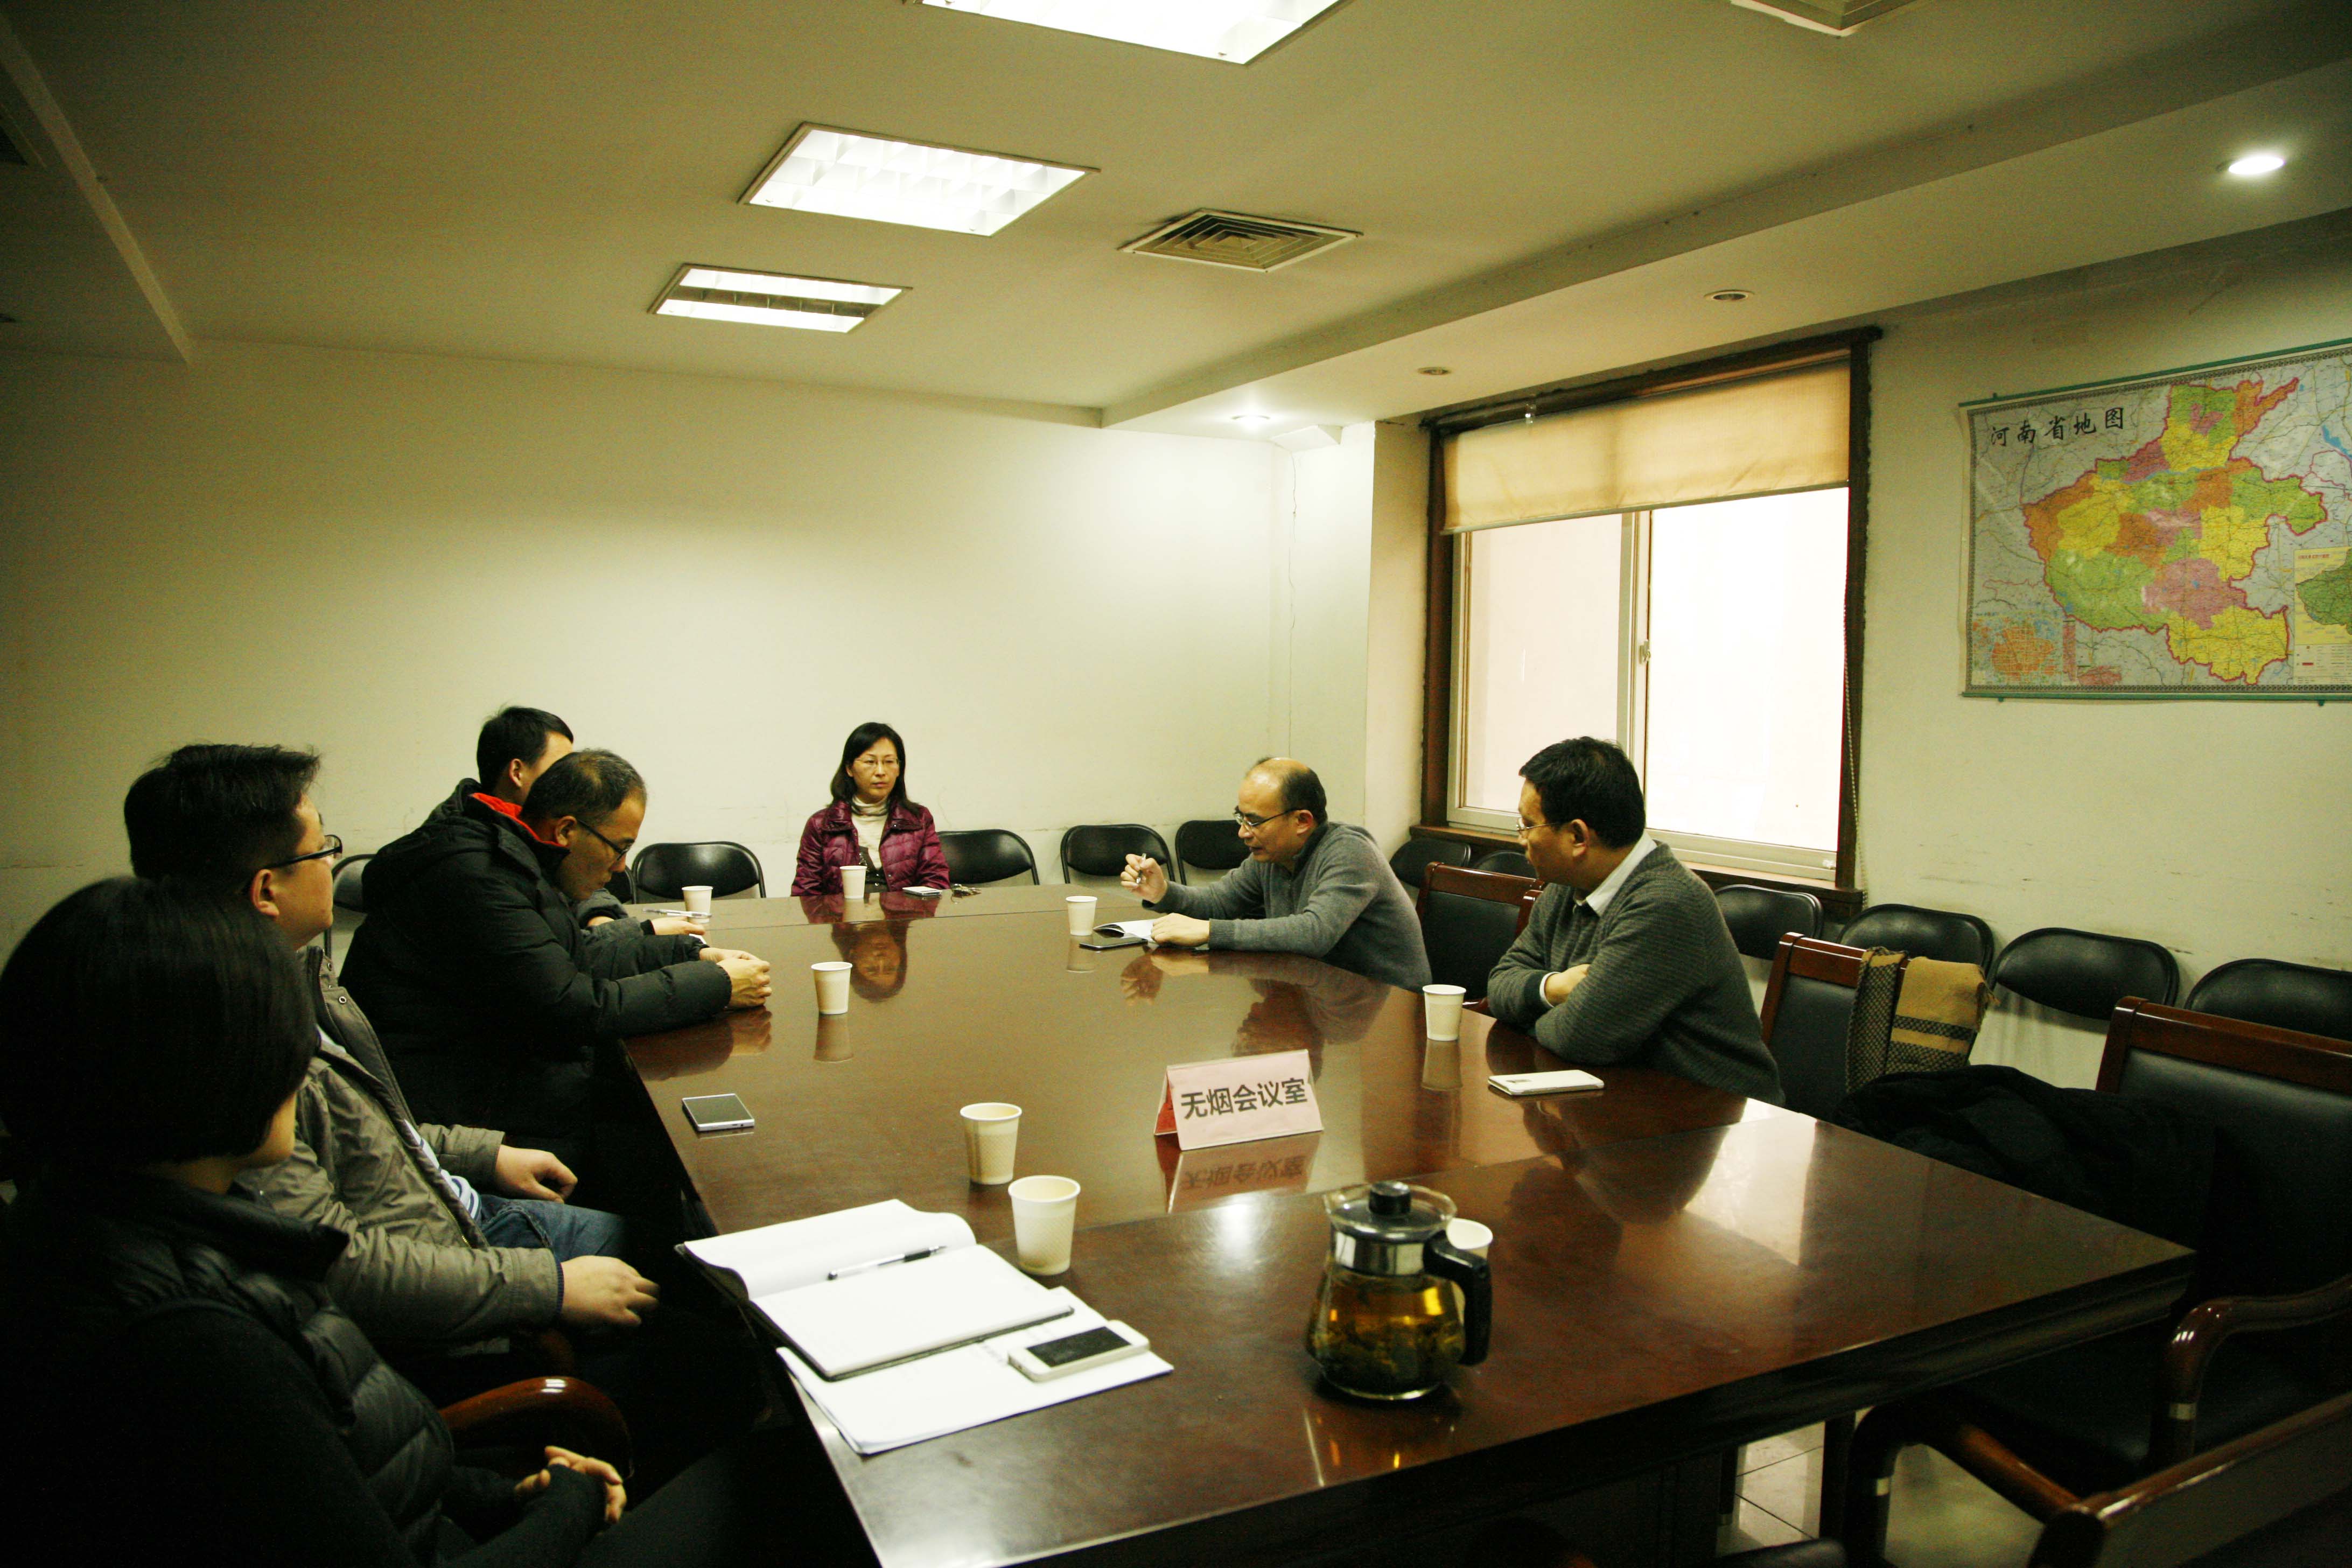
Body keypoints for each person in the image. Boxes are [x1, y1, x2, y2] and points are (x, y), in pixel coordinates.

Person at [0, 877, 838, 1568]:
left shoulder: (124, 1222)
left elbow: (358, 1464)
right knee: (802, 1476)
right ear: (204, 1073)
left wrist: (507, 1493)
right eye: (280, 1042)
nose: (300, 1069)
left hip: (462, 1501)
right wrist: (571, 1504)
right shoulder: (194, 1343)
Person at [121, 743, 658, 1356]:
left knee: (676, 1243)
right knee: (691, 1284)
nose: (334, 862)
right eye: (322, 849)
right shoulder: (235, 1041)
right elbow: (336, 1261)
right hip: (451, 1271)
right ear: (267, 890)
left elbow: (360, 1132)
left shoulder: (287, 981)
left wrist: (483, 1154)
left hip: (448, 1208)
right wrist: (549, 1286)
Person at [344, 748, 770, 1172]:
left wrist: (692, 953)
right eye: (618, 849)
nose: (621, 868)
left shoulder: (516, 859)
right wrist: (717, 984)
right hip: (466, 1112)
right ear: (566, 830)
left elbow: (574, 957)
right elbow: (575, 1008)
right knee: (665, 1142)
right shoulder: (480, 877)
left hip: (496, 1073)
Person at [1485, 737, 1783, 1103]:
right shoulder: (1568, 885)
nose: (1521, 839)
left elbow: (1581, 1038)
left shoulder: (1665, 903)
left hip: (1716, 1114)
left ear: (1577, 837)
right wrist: (1553, 989)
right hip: (1626, 1099)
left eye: (1529, 825)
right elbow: (1500, 984)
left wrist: (1528, 1016)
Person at [1118, 758, 1431, 993]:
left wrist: (1211, 931)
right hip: (1320, 991)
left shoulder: (1350, 852)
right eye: (1241, 817)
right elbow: (1219, 902)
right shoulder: (1273, 855)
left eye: (1254, 821)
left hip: (1389, 1006)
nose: (1243, 833)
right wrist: (1162, 892)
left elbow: (1314, 933)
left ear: (1302, 821)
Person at [790, 722, 949, 895]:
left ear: (899, 769)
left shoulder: (919, 819)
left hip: (907, 913)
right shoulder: (821, 825)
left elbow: (935, 883)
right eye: (870, 762)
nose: (881, 771)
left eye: (889, 762)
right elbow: (806, 895)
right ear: (849, 768)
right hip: (840, 913)